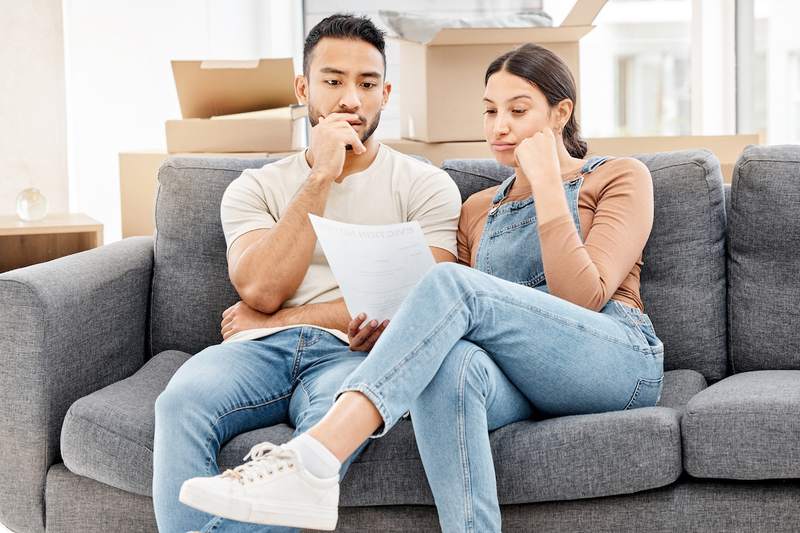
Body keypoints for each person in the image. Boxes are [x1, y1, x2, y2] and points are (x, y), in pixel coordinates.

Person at [180, 42, 664, 533]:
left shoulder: (618, 177)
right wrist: (391, 328)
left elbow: (583, 298)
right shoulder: (477, 209)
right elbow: (458, 324)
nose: (500, 126)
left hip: (614, 358)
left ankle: (316, 457)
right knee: (447, 366)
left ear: (561, 113)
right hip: (521, 373)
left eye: (518, 111)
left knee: (453, 281)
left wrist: (546, 184)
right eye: (490, 111)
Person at [152, 13, 461, 533]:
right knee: (179, 402)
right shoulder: (255, 187)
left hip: (353, 355)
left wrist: (276, 318)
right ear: (304, 87)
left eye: (366, 84)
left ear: (385, 93)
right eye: (333, 81)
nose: (350, 100)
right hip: (257, 354)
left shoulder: (426, 186)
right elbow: (258, 287)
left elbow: (425, 301)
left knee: (320, 442)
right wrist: (320, 175)